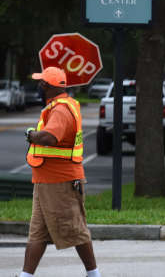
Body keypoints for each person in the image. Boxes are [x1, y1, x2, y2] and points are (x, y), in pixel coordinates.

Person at [20, 67, 101, 277]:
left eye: (41, 83)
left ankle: (94, 274)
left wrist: (32, 135)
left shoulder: (61, 110)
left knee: (75, 229)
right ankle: (25, 276)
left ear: (48, 86)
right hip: (46, 181)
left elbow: (50, 137)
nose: (38, 86)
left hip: (60, 182)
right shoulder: (56, 106)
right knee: (37, 233)